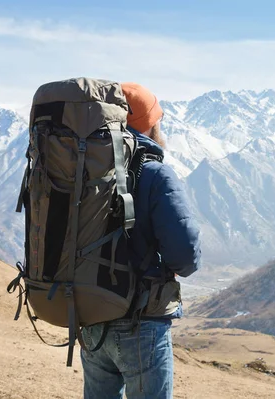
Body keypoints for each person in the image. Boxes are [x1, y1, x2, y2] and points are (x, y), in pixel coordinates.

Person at [80, 82, 201, 399]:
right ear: (149, 125)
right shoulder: (155, 173)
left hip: (90, 314)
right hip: (141, 320)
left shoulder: (84, 168)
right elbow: (187, 255)